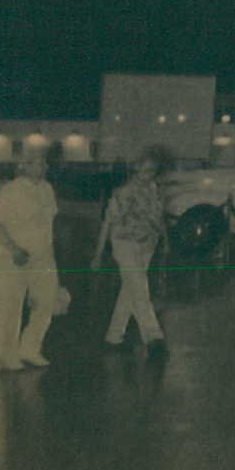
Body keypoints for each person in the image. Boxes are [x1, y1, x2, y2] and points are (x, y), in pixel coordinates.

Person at [0, 141, 61, 369]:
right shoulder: (11, 190)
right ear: (24, 166)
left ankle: (30, 349)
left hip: (43, 257)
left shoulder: (47, 189)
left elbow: (49, 225)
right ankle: (6, 354)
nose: (43, 167)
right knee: (11, 307)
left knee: (46, 303)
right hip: (14, 257)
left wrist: (50, 256)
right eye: (38, 163)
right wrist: (14, 250)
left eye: (44, 163)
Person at [97, 147, 171, 354]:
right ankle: (153, 336)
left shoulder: (155, 190)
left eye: (150, 172)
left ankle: (113, 335)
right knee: (139, 288)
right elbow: (108, 224)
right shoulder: (122, 193)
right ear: (134, 171)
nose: (146, 176)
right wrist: (99, 252)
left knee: (130, 290)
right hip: (124, 244)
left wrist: (166, 241)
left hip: (148, 244)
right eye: (142, 171)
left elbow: (159, 218)